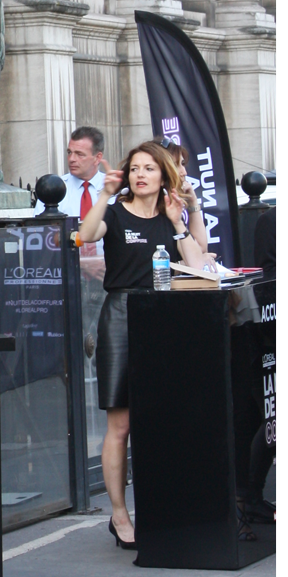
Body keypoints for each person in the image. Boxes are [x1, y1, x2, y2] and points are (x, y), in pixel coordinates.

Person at [76, 140, 209, 547]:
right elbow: (84, 236)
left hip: (164, 318)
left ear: (164, 174)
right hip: (120, 317)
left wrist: (181, 220)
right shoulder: (115, 213)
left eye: (149, 168)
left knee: (163, 420)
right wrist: (103, 194)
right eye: (135, 168)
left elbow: (200, 266)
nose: (140, 174)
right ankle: (120, 515)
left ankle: (167, 507)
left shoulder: (172, 215)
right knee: (121, 425)